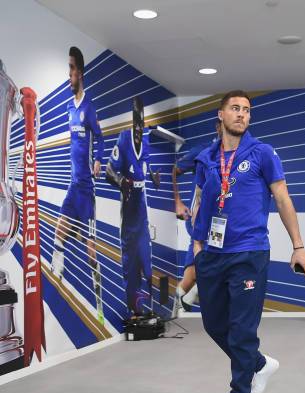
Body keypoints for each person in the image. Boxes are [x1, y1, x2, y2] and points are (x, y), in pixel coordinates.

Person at [192, 90, 305, 393]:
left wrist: (298, 246)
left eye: (246, 110)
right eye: (235, 108)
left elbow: (283, 198)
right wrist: (196, 249)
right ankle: (259, 364)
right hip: (212, 254)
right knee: (215, 325)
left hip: (249, 252)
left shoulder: (262, 153)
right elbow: (199, 205)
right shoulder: (206, 159)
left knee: (243, 328)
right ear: (221, 114)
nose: (242, 114)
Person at [51, 46, 105, 323]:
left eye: (71, 69)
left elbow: (101, 138)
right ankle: (56, 274)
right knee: (58, 232)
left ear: (79, 73)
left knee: (90, 250)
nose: (68, 74)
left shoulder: (88, 107)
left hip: (87, 191)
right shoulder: (68, 108)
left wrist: (98, 159)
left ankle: (98, 302)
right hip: (73, 187)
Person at [105, 97, 160, 315]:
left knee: (146, 260)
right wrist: (120, 181)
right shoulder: (124, 139)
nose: (139, 128)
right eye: (136, 123)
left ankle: (149, 307)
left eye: (142, 123)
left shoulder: (146, 143)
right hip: (128, 209)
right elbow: (109, 170)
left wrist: (154, 178)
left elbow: (147, 169)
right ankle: (134, 310)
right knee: (130, 261)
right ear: (132, 122)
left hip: (142, 209)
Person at [171, 122, 221, 315]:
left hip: (221, 221)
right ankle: (188, 299)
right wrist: (177, 202)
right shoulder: (203, 151)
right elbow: (175, 170)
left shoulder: (237, 155)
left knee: (191, 274)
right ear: (218, 127)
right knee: (214, 262)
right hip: (199, 220)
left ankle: (178, 303)